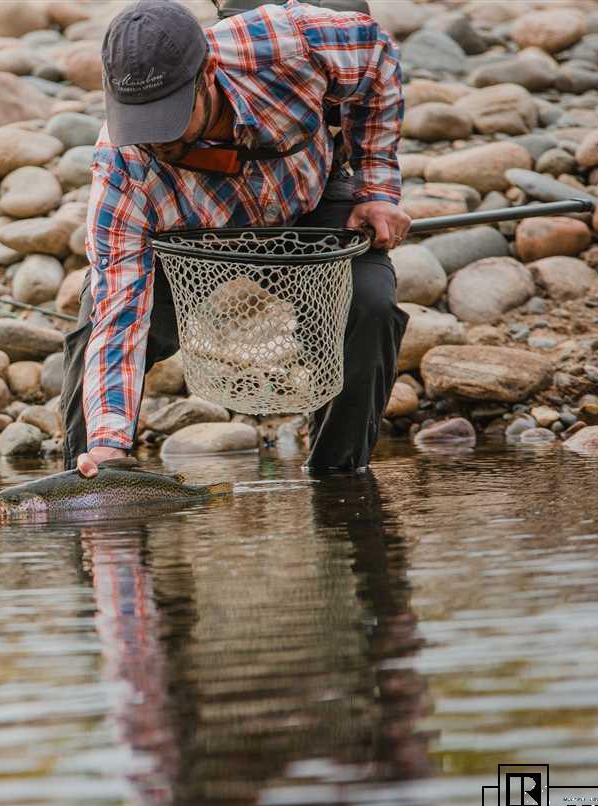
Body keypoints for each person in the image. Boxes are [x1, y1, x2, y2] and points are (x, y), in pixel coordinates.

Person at [61, 0, 412, 478]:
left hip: (308, 201)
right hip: (186, 241)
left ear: (208, 71)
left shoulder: (291, 45)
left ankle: (339, 485)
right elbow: (119, 317)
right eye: (140, 121)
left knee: (370, 306)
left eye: (168, 116)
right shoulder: (124, 170)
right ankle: (92, 489)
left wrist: (375, 188)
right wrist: (107, 442)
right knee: (93, 332)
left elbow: (377, 59)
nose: (156, 141)